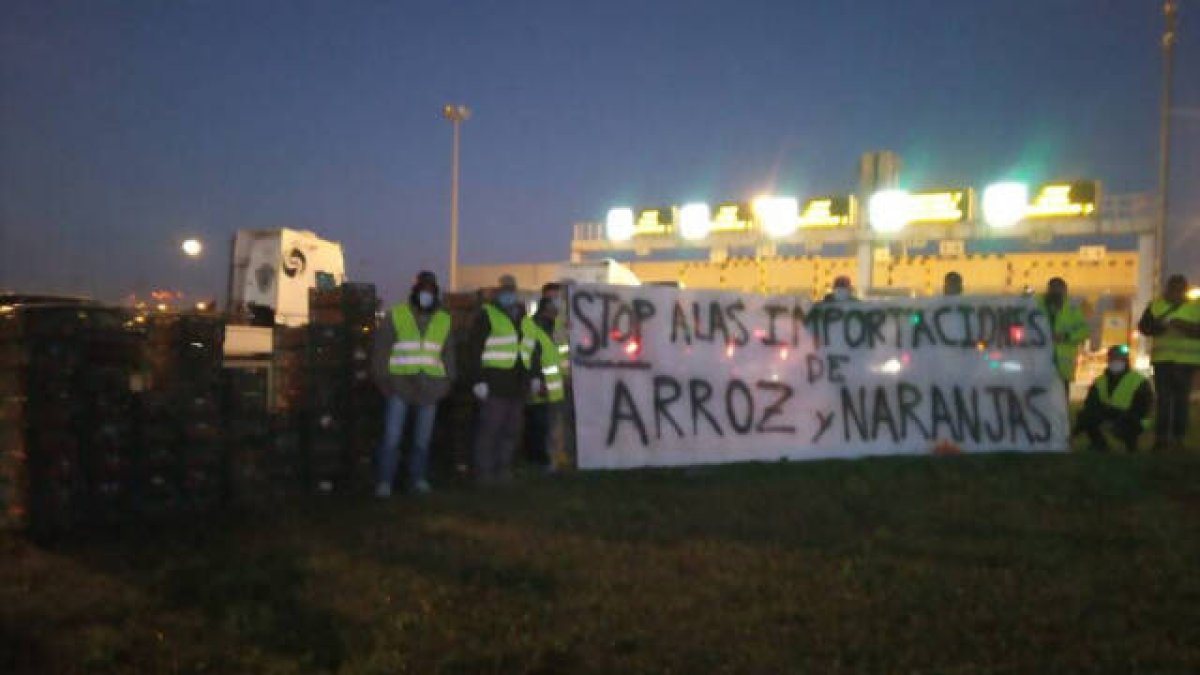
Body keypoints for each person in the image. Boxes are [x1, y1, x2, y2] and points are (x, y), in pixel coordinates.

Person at [371, 271, 455, 497]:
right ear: (416, 291)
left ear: (435, 292)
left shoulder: (443, 319)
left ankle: (417, 479)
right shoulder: (397, 315)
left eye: (430, 290)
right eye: (423, 289)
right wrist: (383, 380)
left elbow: (448, 355)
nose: (426, 294)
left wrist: (446, 382)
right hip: (399, 386)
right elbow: (381, 350)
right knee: (392, 438)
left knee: (422, 441)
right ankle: (385, 482)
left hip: (431, 388)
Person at [467, 274, 531, 483]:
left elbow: (529, 350)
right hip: (495, 384)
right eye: (505, 290)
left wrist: (532, 377)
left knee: (511, 431)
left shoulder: (522, 317)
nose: (508, 294)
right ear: (498, 292)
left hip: (517, 384)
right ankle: (485, 473)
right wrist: (479, 380)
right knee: (490, 431)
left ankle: (503, 470)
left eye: (511, 290)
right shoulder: (487, 315)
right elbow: (475, 349)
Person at [1137, 274, 1200, 451]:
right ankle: (1163, 438)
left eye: (1180, 289)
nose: (1177, 293)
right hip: (1164, 361)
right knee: (1165, 400)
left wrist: (1182, 325)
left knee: (1180, 401)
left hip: (1185, 362)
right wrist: (1160, 326)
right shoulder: (1157, 305)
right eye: (1174, 289)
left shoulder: (1195, 306)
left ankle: (1177, 438)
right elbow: (1144, 328)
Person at [1071, 345, 1153, 453]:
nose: (1115, 361)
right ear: (1108, 360)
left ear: (1125, 361)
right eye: (1113, 358)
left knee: (1128, 423)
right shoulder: (1100, 381)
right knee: (1086, 415)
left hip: (1130, 417)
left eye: (1119, 358)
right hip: (1108, 413)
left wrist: (1122, 416)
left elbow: (1143, 408)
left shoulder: (1138, 381)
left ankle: (1130, 447)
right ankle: (1099, 444)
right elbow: (1090, 403)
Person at [522, 284, 567, 473]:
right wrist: (534, 378)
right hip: (542, 384)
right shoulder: (531, 324)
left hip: (559, 384)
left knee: (556, 424)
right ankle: (544, 461)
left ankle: (557, 458)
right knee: (542, 425)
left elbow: (563, 352)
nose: (555, 303)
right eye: (552, 299)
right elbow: (528, 353)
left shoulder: (559, 325)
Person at [1037, 277, 1089, 397]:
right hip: (1041, 365)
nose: (1057, 293)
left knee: (1060, 402)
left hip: (1061, 369)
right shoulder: (1037, 304)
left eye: (1059, 290)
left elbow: (1084, 331)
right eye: (1054, 289)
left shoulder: (1072, 308)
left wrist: (1066, 336)